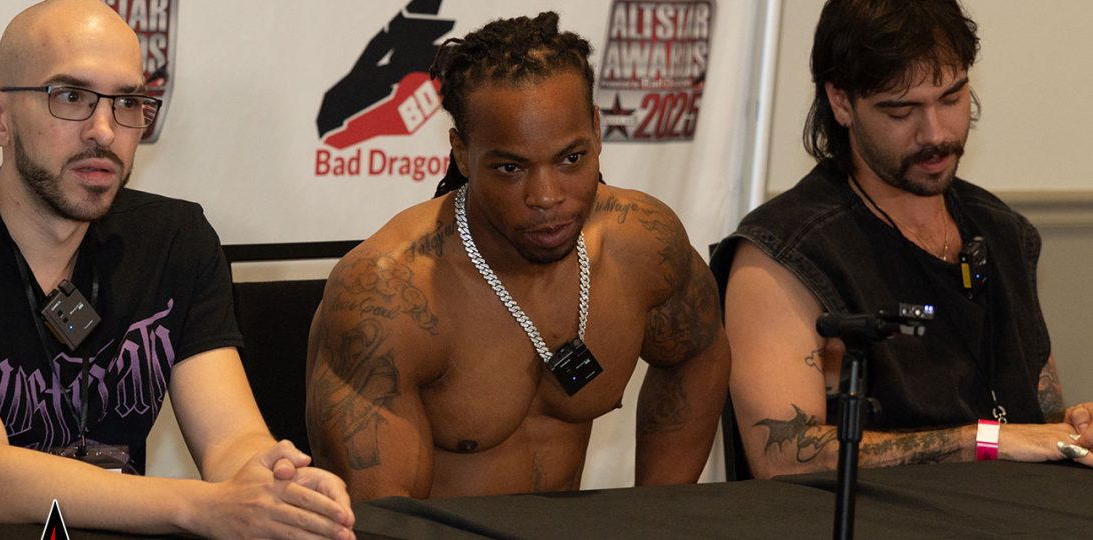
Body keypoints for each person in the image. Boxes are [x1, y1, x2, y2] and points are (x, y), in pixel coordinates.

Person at [0, 1, 355, 537]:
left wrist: (275, 483)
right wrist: (200, 506)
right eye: (70, 96)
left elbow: (231, 440)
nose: (104, 130)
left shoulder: (175, 239)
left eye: (127, 101)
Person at [306, 12, 730, 501]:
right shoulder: (390, 294)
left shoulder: (642, 243)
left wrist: (656, 512)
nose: (547, 197)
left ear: (596, 130)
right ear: (462, 153)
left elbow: (698, 353)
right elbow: (383, 517)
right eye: (511, 167)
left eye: (571, 158)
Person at [711, 0, 1093, 480]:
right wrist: (984, 442)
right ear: (841, 103)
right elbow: (783, 458)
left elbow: (1034, 418)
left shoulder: (1001, 231)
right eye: (901, 110)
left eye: (951, 99)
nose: (935, 133)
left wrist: (1073, 427)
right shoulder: (782, 253)